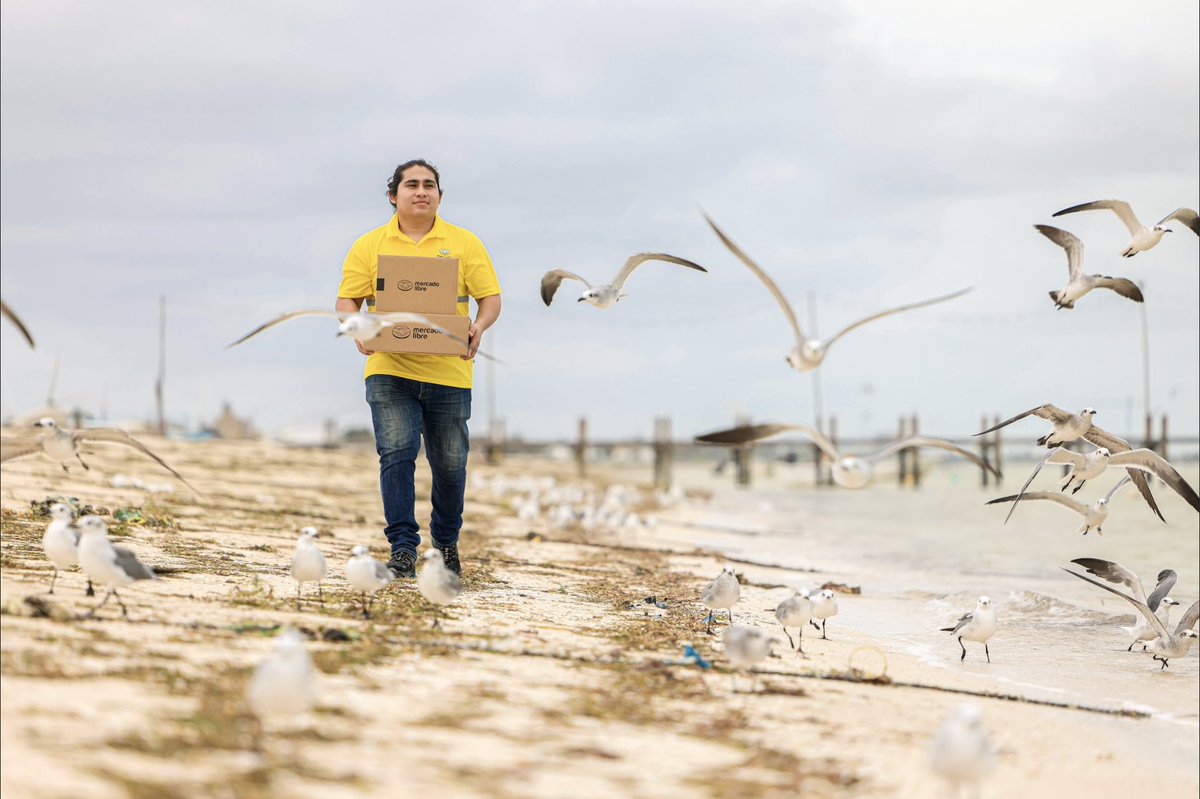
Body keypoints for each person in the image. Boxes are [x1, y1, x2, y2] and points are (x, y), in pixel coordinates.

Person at [337, 159, 501, 579]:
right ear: (394, 196)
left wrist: (479, 328)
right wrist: (355, 327)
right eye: (411, 185)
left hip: (449, 371)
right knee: (397, 454)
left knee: (450, 463)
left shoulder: (464, 244)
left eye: (430, 185)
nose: (421, 191)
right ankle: (403, 548)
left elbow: (490, 298)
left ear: (440, 197)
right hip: (389, 368)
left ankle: (445, 543)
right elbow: (347, 300)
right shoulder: (369, 246)